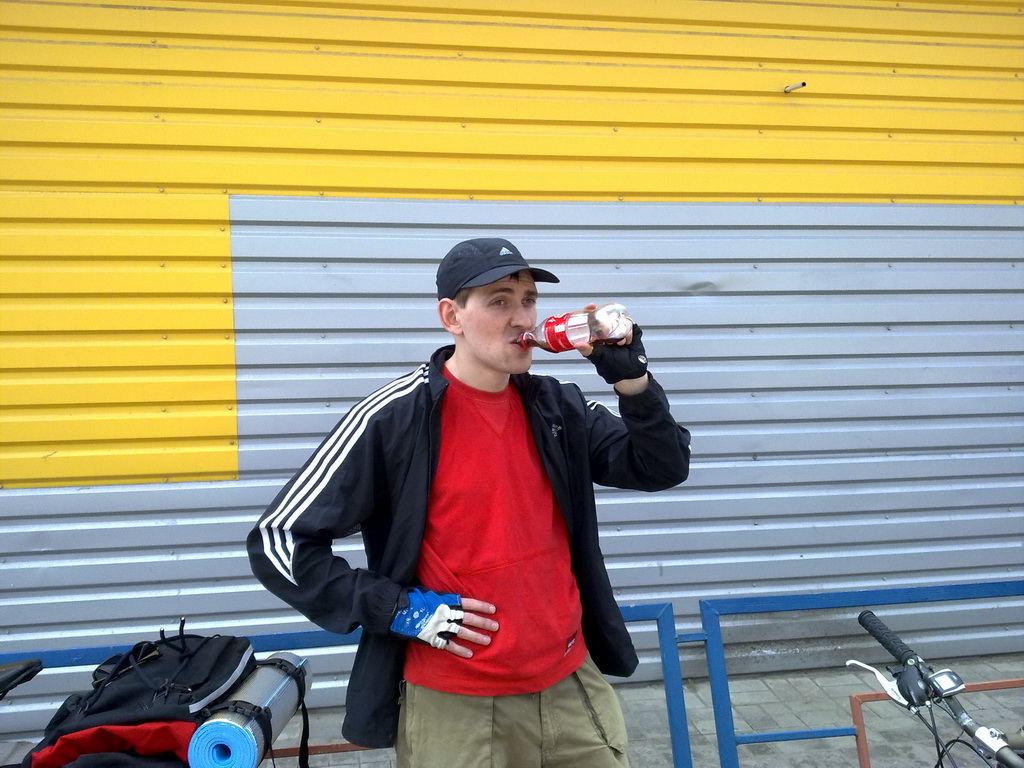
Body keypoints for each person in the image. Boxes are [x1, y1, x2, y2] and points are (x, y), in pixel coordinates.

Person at [247, 238, 691, 767]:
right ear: (451, 317)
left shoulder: (556, 407)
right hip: (456, 706)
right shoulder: (395, 417)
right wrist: (398, 609)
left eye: (528, 300)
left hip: (571, 685)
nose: (521, 318)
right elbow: (277, 540)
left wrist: (633, 383)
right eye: (499, 301)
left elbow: (660, 466)